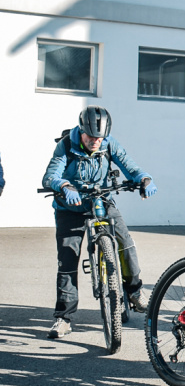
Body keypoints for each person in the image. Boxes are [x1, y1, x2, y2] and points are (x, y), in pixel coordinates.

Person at [42, 106, 156, 339]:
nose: (95, 141)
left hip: (102, 201)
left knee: (126, 244)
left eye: (99, 137)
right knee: (67, 259)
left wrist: (143, 178)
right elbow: (51, 175)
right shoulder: (65, 145)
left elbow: (129, 164)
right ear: (81, 131)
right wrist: (64, 186)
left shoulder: (109, 144)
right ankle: (63, 318)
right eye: (91, 136)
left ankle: (134, 291)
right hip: (70, 207)